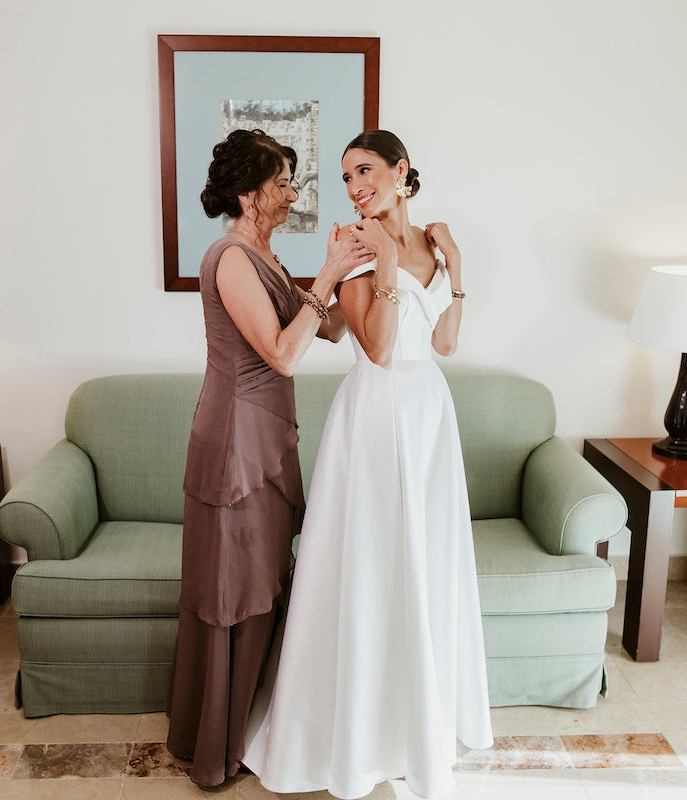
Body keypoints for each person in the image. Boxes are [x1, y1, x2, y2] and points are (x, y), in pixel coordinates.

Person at [243, 130, 493, 799]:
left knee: (423, 563)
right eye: (347, 177)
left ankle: (415, 726)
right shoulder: (353, 247)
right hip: (376, 416)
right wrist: (381, 263)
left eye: (366, 172)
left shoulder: (431, 245)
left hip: (428, 416)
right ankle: (352, 734)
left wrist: (456, 270)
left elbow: (441, 342)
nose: (355, 187)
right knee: (373, 562)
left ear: (401, 171)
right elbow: (378, 350)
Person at [166, 128, 371, 788]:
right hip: (234, 442)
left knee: (268, 586)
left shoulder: (273, 259)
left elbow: (332, 328)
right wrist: (331, 274)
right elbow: (282, 353)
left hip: (271, 436)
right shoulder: (229, 258)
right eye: (283, 182)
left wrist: (360, 266)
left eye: (291, 181)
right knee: (234, 591)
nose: (292, 193)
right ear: (249, 193)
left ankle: (252, 729)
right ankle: (214, 749)